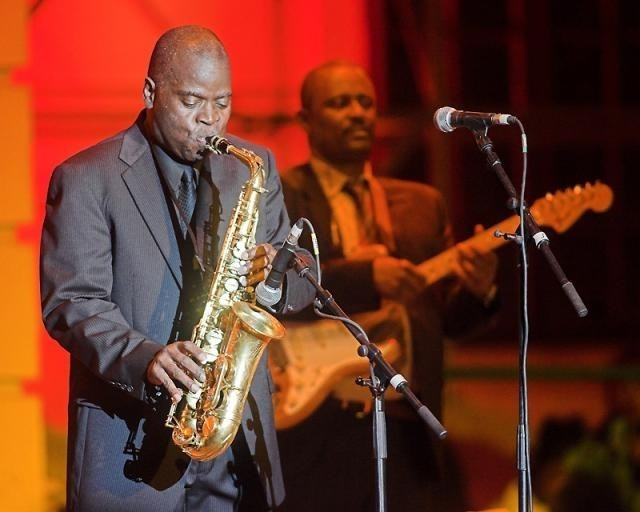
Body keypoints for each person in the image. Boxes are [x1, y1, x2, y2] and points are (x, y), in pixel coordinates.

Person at [40, 26, 315, 512]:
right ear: (151, 92)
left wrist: (273, 276)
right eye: (192, 102)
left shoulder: (254, 166)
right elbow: (72, 303)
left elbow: (301, 274)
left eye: (222, 103)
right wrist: (145, 357)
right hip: (129, 444)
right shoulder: (85, 178)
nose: (210, 119)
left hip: (233, 444)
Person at [276, 61, 499, 511]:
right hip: (312, 430)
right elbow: (270, 287)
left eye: (365, 102)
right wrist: (365, 279)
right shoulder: (277, 195)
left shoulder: (422, 205)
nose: (357, 112)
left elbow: (446, 321)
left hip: (404, 431)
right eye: (339, 103)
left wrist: (480, 290)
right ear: (306, 120)